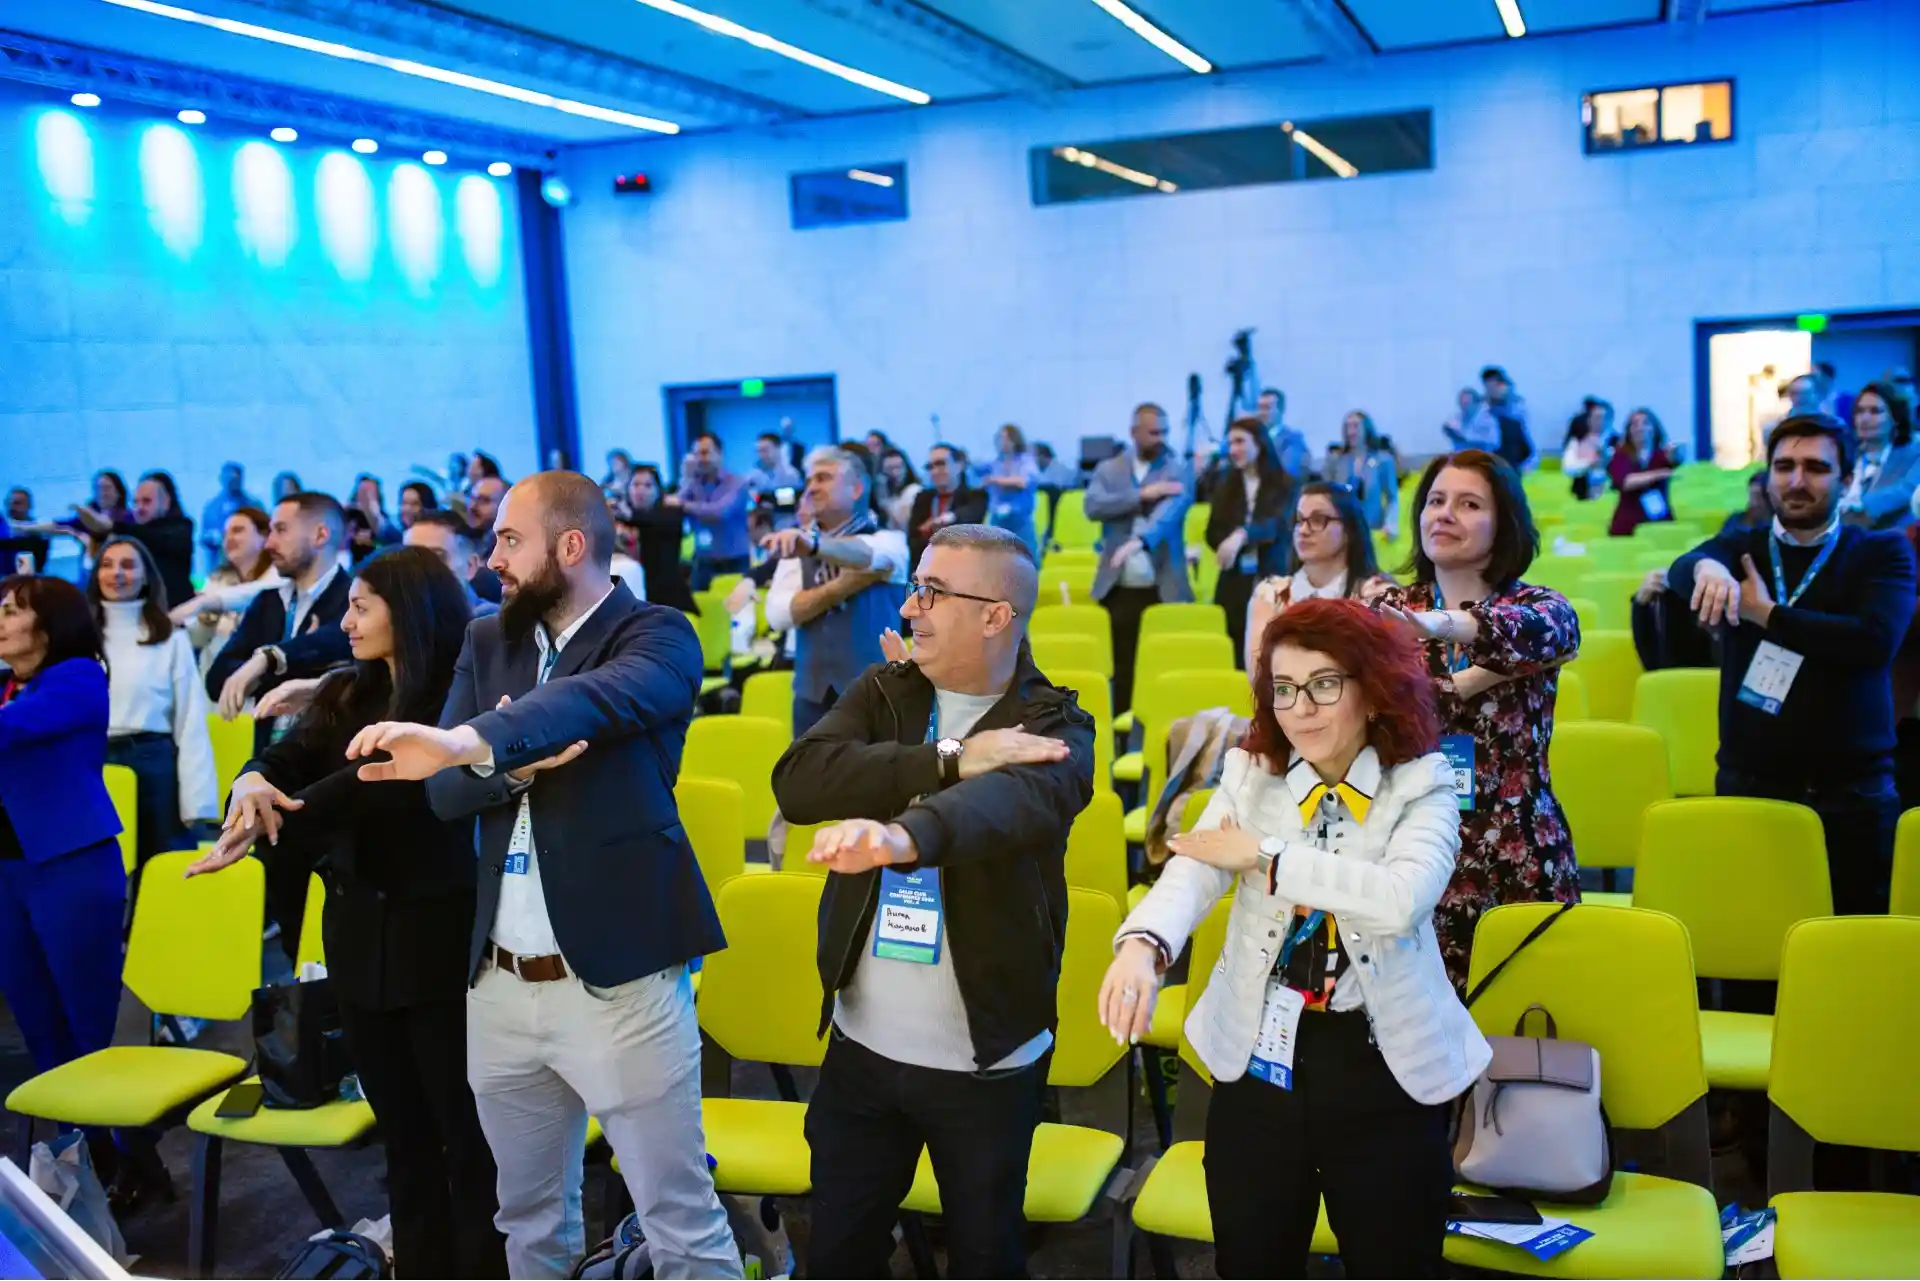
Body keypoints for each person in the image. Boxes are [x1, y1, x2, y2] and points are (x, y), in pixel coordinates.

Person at [339, 471, 738, 1280]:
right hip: (498, 984)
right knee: (527, 1221)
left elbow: (595, 699)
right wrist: (511, 767)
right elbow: (445, 795)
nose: (492, 559)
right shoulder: (489, 640)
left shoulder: (658, 633)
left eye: (509, 540)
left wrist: (473, 742)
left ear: (572, 545)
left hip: (619, 981)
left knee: (679, 1223)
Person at [1104, 597, 1489, 1278]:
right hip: (1260, 1056)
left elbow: (1400, 899)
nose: (1300, 708)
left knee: (1395, 1262)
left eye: (1323, 684)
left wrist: (1266, 856)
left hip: (1382, 1065)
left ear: (1372, 690)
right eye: (1283, 689)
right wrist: (1145, 945)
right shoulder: (1252, 775)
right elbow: (1195, 867)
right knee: (1251, 1259)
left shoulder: (1423, 784)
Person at [771, 523, 1095, 1279]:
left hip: (985, 1060)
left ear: (995, 616)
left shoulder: (1054, 723)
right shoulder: (886, 690)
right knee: (840, 1252)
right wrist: (947, 758)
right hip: (861, 1047)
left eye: (933, 592)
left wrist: (902, 836)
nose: (909, 606)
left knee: (984, 1256)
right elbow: (799, 781)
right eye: (915, 586)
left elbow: (1003, 808)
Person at [187, 548, 508, 1278]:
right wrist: (252, 784)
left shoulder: (458, 696)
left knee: (467, 1138)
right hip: (360, 940)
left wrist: (279, 814)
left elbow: (376, 785)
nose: (347, 620)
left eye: (362, 606)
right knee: (403, 1140)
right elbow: (287, 758)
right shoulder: (346, 690)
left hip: (441, 937)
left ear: (410, 612)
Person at [1670, 415, 1916, 915]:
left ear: (1847, 478)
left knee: (1849, 939)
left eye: (1815, 468)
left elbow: (1872, 642)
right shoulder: (1742, 546)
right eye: (1784, 466)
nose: (1797, 480)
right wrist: (1707, 566)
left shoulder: (1880, 550)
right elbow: (1683, 570)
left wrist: (1767, 614)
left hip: (1853, 791)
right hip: (1751, 783)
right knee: (1750, 933)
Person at [1374, 451, 1581, 986]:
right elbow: (1377, 706)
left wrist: (1442, 626)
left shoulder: (1537, 605)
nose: (1445, 514)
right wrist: (1474, 680)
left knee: (1525, 1017)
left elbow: (1556, 632)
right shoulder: (1389, 611)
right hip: (1408, 848)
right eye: (1436, 501)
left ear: (1503, 523)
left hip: (1517, 847)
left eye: (1469, 504)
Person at [0, 576, 128, 1189]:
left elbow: (11, 729)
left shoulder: (78, 676)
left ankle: (130, 1158)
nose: (0, 621)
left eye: (11, 611)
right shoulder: (10, 687)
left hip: (71, 867)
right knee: (39, 1026)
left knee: (88, 1025)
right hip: (10, 875)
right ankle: (77, 1163)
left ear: (49, 626)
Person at [88, 537, 218, 868]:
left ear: (146, 576)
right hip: (91, 761)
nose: (117, 574)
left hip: (152, 762)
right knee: (98, 867)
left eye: (128, 565)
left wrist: (198, 803)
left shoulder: (171, 639)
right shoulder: (79, 640)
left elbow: (190, 722)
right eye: (107, 565)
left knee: (159, 864)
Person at [765, 447, 910, 737]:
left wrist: (814, 546)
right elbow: (778, 615)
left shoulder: (890, 539)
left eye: (823, 478)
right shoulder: (797, 545)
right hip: (811, 699)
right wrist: (843, 586)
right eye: (809, 480)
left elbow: (867, 555)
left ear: (856, 489)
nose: (811, 488)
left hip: (879, 698)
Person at [206, 493, 353, 744]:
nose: (269, 544)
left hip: (327, 756)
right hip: (267, 755)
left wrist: (265, 660)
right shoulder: (268, 602)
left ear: (320, 535)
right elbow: (218, 679)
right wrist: (289, 663)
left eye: (281, 530)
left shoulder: (354, 598)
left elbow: (337, 651)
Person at [1086, 403, 1194, 712]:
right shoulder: (1109, 469)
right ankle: (1121, 731)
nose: (1161, 439)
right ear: (1134, 432)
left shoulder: (1178, 468)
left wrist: (1139, 541)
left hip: (1165, 583)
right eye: (1153, 432)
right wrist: (1142, 495)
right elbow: (1093, 506)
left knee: (1165, 666)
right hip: (1118, 585)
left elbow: (1170, 514)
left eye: (1164, 432)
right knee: (1122, 665)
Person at [1245, 483, 1396, 674]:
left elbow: (1381, 675)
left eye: (1318, 520)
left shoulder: (1377, 594)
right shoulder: (1269, 594)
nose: (1303, 530)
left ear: (1348, 531)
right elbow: (1259, 676)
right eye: (1299, 520)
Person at [1207, 418, 1292, 667]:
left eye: (1240, 441)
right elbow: (1212, 532)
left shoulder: (1284, 483)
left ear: (1259, 443)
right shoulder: (1225, 483)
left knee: (1271, 653)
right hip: (1234, 579)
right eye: (1230, 443)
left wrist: (1241, 535)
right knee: (1233, 650)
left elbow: (1274, 526)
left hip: (1272, 576)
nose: (1233, 449)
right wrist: (1225, 542)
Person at [174, 507, 279, 675]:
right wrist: (206, 620)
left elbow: (260, 593)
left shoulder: (278, 575)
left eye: (238, 530)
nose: (229, 538)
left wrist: (206, 602)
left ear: (264, 537)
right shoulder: (217, 580)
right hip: (215, 680)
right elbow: (196, 640)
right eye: (225, 534)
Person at [74, 472, 196, 607]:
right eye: (136, 502)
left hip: (177, 610)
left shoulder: (181, 528)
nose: (139, 508)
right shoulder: (132, 532)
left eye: (147, 501)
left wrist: (111, 526)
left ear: (166, 503)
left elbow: (156, 538)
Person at [1836, 381, 1920, 530]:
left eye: (1875, 411)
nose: (1865, 419)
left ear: (1895, 418)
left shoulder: (1913, 454)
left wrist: (1857, 506)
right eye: (1860, 411)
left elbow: (1907, 491)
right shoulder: (1844, 454)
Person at [679, 432, 752, 591]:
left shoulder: (737, 483)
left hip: (734, 560)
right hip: (703, 560)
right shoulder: (693, 483)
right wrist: (687, 477)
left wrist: (685, 505)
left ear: (719, 454)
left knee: (736, 604)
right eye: (696, 454)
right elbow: (675, 506)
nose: (700, 458)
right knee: (698, 604)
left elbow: (720, 512)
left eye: (705, 453)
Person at [906, 444, 988, 573]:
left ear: (959, 465)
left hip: (963, 568)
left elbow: (971, 515)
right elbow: (913, 539)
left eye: (941, 464)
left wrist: (947, 518)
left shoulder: (975, 495)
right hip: (927, 569)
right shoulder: (923, 498)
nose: (934, 471)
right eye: (930, 467)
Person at [624, 465, 695, 613]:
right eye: (636, 484)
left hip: (667, 600)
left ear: (658, 491)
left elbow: (646, 521)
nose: (641, 490)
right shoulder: (619, 520)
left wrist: (629, 516)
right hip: (630, 596)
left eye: (648, 485)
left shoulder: (671, 515)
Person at [406, 512, 502, 618]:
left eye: (437, 558)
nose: (421, 567)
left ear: (470, 566)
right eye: (411, 558)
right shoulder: (398, 617)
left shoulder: (494, 623)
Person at [1323, 411, 1401, 539]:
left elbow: (1392, 498)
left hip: (1374, 531)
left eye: (1355, 426)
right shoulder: (1337, 461)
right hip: (1343, 532)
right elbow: (1327, 495)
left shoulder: (1382, 460)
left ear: (1366, 428)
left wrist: (1391, 524)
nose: (1351, 432)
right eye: (1347, 427)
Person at [1607, 408, 1680, 537]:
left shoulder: (1662, 455)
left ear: (1654, 428)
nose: (1640, 428)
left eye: (1645, 423)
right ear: (1629, 430)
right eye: (1635, 424)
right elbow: (1625, 482)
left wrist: (1676, 454)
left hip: (1659, 520)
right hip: (1628, 524)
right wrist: (1658, 474)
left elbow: (1677, 460)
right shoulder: (1620, 456)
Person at [983, 423, 1041, 555]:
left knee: (1027, 556)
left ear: (1014, 440)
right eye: (1000, 438)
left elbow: (1023, 482)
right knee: (994, 557)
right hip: (998, 518)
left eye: (1006, 438)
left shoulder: (1025, 461)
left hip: (1019, 518)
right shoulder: (995, 462)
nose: (1002, 442)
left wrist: (996, 480)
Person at [198, 463, 262, 574]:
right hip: (219, 567)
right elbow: (204, 537)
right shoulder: (212, 507)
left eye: (235, 478)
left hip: (248, 567)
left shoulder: (253, 505)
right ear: (221, 479)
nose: (232, 481)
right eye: (228, 478)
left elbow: (263, 533)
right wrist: (216, 538)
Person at [1253, 388, 1310, 487]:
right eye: (1260, 408)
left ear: (1281, 410)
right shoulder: (1251, 437)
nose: (1261, 413)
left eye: (1267, 408)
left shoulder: (1293, 440)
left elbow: (1288, 474)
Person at [1562, 401, 1609, 501]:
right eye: (1597, 418)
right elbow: (1568, 467)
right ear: (1589, 420)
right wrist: (1589, 464)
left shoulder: (1615, 441)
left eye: (1604, 418)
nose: (1600, 422)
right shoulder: (1577, 442)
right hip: (1582, 493)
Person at [351, 475, 404, 550]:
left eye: (370, 494)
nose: (366, 498)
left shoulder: (386, 523)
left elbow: (398, 540)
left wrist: (374, 537)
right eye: (363, 493)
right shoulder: (348, 516)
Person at [746, 432, 804, 500]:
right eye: (759, 451)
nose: (761, 455)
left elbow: (796, 499)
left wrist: (766, 499)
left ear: (778, 448)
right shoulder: (756, 474)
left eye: (765, 450)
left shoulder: (791, 475)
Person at [877, 450, 921, 532]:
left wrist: (886, 504)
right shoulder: (891, 494)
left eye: (899, 467)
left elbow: (903, 524)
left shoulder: (913, 490)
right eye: (889, 469)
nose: (895, 473)